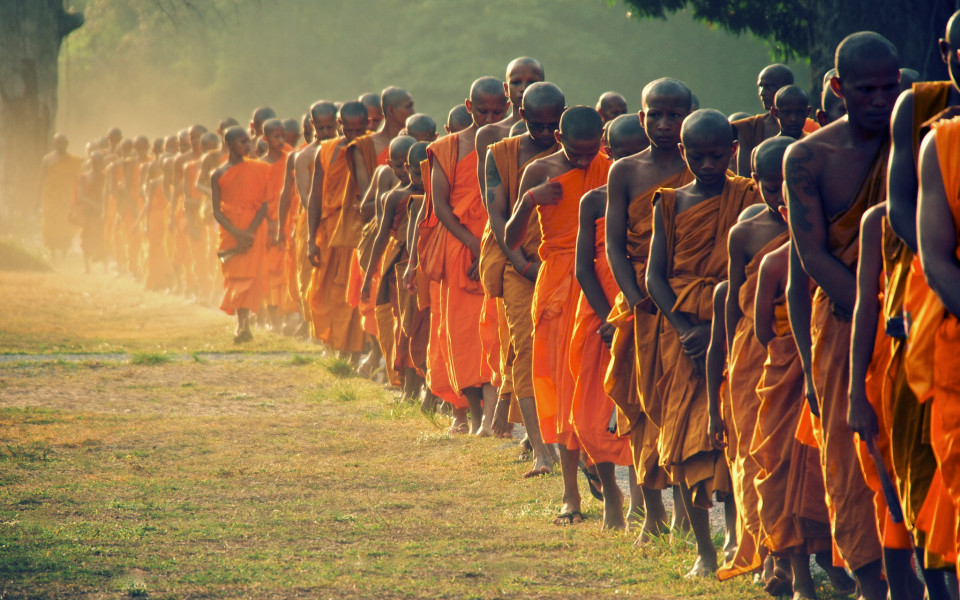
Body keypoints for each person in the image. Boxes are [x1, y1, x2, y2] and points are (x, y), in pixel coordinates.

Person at [784, 31, 900, 600]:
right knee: (851, 458)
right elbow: (812, 256)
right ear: (836, 88)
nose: (879, 100)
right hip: (848, 322)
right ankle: (871, 583)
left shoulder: (922, 142)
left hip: (917, 323)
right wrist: (876, 310)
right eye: (865, 89)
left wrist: (906, 312)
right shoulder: (807, 156)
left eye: (888, 87)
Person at [646, 108, 761, 577]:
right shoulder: (668, 202)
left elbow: (753, 270)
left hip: (734, 328)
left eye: (717, 156)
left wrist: (717, 329)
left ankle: (739, 540)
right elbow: (655, 276)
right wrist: (682, 327)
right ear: (683, 152)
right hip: (683, 335)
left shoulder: (750, 198)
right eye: (697, 156)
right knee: (683, 442)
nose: (708, 165)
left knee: (733, 434)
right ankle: (704, 551)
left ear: (733, 151)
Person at [506, 105, 611, 524]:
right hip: (554, 288)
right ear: (559, 139)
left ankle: (596, 460)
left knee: (594, 382)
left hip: (598, 280)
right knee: (562, 385)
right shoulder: (539, 170)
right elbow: (511, 240)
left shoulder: (612, 167)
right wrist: (530, 201)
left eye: (592, 152)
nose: (586, 162)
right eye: (577, 154)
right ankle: (571, 495)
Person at [605, 78, 694, 542]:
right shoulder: (625, 171)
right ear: (640, 118)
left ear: (690, 115)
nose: (664, 124)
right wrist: (634, 297)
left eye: (674, 114)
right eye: (654, 115)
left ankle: (684, 511)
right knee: (640, 404)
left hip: (688, 297)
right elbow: (615, 245)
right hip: (641, 301)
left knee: (680, 401)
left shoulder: (706, 164)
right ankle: (653, 512)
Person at [716, 136, 794, 584]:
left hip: (805, 343)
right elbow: (732, 299)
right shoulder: (745, 232)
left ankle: (809, 553)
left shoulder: (828, 218)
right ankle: (769, 555)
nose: (781, 195)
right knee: (754, 451)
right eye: (769, 186)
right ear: (756, 182)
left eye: (789, 183)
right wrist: (729, 358)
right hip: (753, 349)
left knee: (799, 453)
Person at [482, 81, 564, 475]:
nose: (547, 135)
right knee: (526, 347)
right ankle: (540, 450)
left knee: (563, 350)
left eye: (554, 126)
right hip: (518, 263)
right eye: (539, 126)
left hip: (565, 266)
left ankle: (562, 435)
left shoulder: (578, 153)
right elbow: (497, 216)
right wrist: (522, 264)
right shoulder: (499, 155)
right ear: (522, 117)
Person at [572, 113, 646, 530]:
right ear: (607, 153)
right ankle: (610, 496)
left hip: (645, 311)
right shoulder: (594, 200)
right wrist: (609, 317)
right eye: (622, 155)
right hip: (597, 313)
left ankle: (639, 500)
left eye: (641, 154)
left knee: (636, 409)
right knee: (588, 414)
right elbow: (584, 268)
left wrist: (630, 316)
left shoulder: (668, 194)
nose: (632, 164)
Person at [424, 77, 508, 434]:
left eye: (496, 110)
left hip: (501, 242)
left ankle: (492, 416)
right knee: (461, 333)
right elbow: (441, 207)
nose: (489, 117)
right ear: (468, 106)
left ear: (505, 108)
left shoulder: (510, 144)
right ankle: (475, 415)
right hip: (460, 246)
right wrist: (474, 245)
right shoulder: (447, 148)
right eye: (482, 110)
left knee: (494, 331)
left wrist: (491, 244)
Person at [306, 102, 369, 361]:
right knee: (328, 290)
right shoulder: (327, 150)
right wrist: (311, 239)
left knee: (355, 290)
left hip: (361, 231)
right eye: (348, 129)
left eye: (359, 129)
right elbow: (315, 196)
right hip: (332, 232)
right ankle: (334, 345)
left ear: (367, 126)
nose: (353, 135)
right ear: (339, 124)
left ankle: (356, 351)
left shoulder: (371, 148)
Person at [211, 126, 271, 342]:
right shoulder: (218, 173)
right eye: (243, 142)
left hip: (254, 230)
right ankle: (241, 323)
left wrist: (250, 232)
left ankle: (244, 324)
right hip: (230, 232)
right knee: (235, 278)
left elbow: (264, 204)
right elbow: (216, 211)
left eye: (249, 142)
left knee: (252, 277)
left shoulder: (260, 169)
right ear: (230, 145)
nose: (249, 146)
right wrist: (237, 233)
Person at [261, 118, 293, 332]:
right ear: (265, 139)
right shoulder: (261, 165)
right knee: (270, 272)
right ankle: (273, 319)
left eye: (283, 136)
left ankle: (287, 316)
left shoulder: (290, 158)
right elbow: (259, 199)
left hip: (288, 218)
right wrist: (270, 224)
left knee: (286, 270)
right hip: (267, 223)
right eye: (276, 137)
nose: (281, 141)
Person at [37, 133, 82, 260]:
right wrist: (37, 200)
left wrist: (78, 199)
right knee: (50, 226)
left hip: (67, 199)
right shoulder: (47, 160)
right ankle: (52, 252)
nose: (61, 146)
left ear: (67, 144)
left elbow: (79, 180)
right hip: (51, 199)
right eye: (58, 143)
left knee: (66, 225)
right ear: (54, 144)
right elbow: (41, 180)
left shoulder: (74, 161)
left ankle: (64, 251)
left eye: (63, 143)